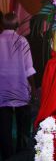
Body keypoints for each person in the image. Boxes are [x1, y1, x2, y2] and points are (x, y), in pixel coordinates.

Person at [0, 12, 36, 160]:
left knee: (3, 125)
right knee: (23, 124)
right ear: (16, 25)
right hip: (20, 87)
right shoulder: (22, 41)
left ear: (2, 25)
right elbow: (29, 69)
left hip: (2, 88)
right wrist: (33, 88)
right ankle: (21, 153)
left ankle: (6, 155)